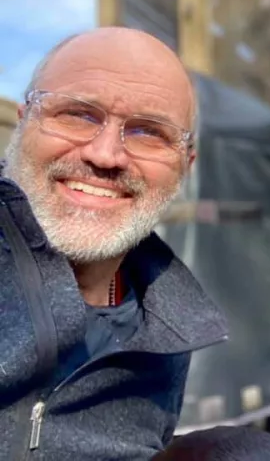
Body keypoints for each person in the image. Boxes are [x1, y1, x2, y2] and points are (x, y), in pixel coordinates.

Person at [0, 27, 228, 460]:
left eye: (148, 132)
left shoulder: (167, 334)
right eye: (78, 115)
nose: (105, 155)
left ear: (186, 165)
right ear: (25, 119)